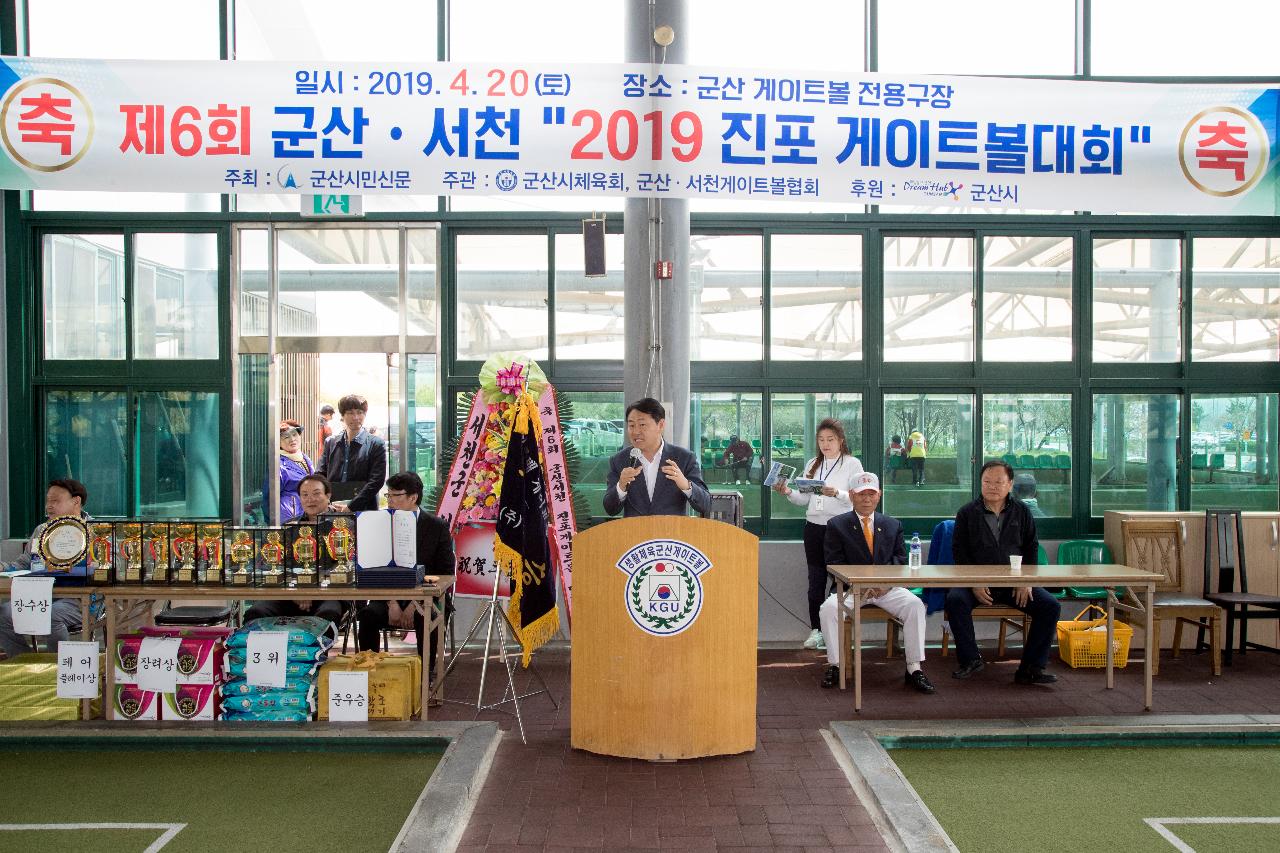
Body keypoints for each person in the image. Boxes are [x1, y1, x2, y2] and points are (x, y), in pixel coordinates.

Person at [946, 460, 1062, 686]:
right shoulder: (967, 513)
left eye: (998, 482)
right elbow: (960, 554)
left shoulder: (1022, 512)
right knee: (955, 600)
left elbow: (1031, 549)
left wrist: (1025, 582)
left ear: (1010, 484)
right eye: (987, 482)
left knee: (1050, 606)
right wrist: (974, 583)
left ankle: (1031, 667)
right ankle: (971, 659)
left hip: (1013, 584)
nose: (992, 486)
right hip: (978, 583)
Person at [818, 472, 934, 693]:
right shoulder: (837, 525)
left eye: (871, 494)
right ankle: (835, 665)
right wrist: (859, 584)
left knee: (915, 605)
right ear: (851, 495)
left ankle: (914, 668)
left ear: (879, 495)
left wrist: (886, 584)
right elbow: (833, 562)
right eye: (861, 494)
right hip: (851, 588)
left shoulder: (892, 524)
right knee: (828, 609)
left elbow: (900, 559)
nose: (867, 499)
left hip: (886, 588)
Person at [772, 417, 864, 651]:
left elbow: (859, 498)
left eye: (830, 439)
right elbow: (804, 499)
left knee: (840, 582)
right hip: (813, 528)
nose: (825, 444)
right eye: (821, 440)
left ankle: (839, 630)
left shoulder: (852, 464)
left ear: (841, 441)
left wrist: (837, 494)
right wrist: (788, 491)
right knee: (816, 582)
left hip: (841, 528)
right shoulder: (813, 463)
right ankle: (817, 631)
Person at [355, 472, 455, 673]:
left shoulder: (436, 526)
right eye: (388, 495)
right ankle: (370, 673)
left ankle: (424, 678)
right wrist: (392, 602)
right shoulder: (378, 524)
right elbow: (373, 568)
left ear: (413, 497)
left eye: (395, 495)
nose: (389, 501)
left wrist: (415, 603)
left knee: (425, 616)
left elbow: (444, 572)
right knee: (368, 616)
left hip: (428, 596)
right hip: (387, 596)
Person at [0, 479, 91, 659]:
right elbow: (22, 564)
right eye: (48, 501)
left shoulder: (95, 531)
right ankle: (26, 663)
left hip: (79, 598)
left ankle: (59, 668)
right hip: (40, 595)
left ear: (76, 501)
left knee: (50, 615)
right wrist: (3, 567)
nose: (49, 506)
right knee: (3, 614)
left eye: (55, 501)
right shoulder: (42, 530)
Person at [244, 473, 345, 627]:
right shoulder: (289, 527)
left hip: (328, 594)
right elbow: (275, 565)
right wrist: (296, 590)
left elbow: (346, 567)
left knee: (327, 615)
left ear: (328, 495)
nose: (310, 499)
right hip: (290, 593)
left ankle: (317, 652)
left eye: (316, 494)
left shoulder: (343, 527)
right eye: (304, 495)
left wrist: (311, 590)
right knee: (256, 613)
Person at [604, 398, 711, 517]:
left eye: (642, 425)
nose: (636, 431)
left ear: (660, 425)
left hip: (671, 533)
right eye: (631, 425)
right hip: (634, 534)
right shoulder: (619, 460)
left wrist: (686, 485)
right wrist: (621, 486)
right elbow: (610, 509)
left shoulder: (684, 458)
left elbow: (705, 504)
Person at [316, 394, 387, 512]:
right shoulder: (331, 442)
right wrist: (324, 499)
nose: (356, 417)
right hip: (333, 506)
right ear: (342, 416)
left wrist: (351, 506)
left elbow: (376, 481)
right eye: (350, 413)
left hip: (364, 508)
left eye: (360, 412)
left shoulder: (376, 444)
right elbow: (320, 474)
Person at [264, 419, 314, 523]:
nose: (292, 439)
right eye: (286, 437)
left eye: (294, 435)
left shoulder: (305, 458)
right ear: (279, 442)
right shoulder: (278, 465)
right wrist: (274, 522)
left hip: (309, 515)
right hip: (289, 519)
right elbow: (269, 497)